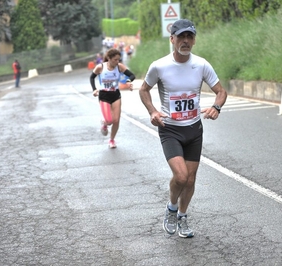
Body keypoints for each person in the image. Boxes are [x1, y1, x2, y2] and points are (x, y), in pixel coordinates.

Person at [139, 19, 227, 238]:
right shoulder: (159, 66)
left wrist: (216, 107)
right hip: (170, 129)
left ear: (194, 40)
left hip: (194, 129)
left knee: (191, 179)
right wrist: (152, 111)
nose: (186, 41)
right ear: (172, 39)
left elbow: (221, 91)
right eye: (181, 37)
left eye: (190, 37)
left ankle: (183, 216)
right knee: (180, 176)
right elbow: (143, 90)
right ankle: (171, 208)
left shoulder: (201, 64)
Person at [89, 48, 135, 148]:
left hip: (115, 95)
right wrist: (94, 89)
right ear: (109, 58)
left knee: (116, 120)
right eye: (115, 59)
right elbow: (92, 77)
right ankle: (105, 123)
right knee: (109, 121)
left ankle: (112, 140)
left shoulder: (119, 67)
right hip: (104, 95)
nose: (117, 61)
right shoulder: (100, 67)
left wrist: (128, 81)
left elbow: (132, 75)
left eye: (119, 59)